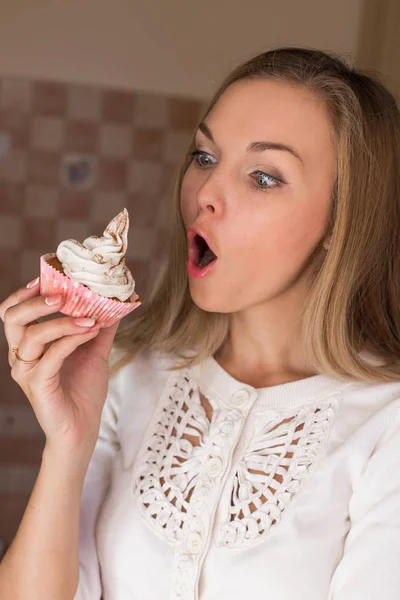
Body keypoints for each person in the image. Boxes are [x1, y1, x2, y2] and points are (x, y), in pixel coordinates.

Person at [0, 46, 400, 600]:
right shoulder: (128, 371)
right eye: (205, 157)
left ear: (343, 218)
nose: (205, 195)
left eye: (263, 177)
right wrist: (68, 446)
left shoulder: (387, 423)